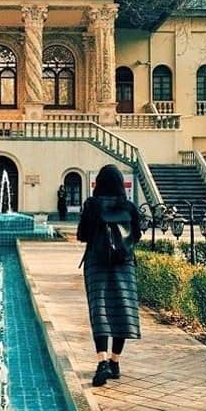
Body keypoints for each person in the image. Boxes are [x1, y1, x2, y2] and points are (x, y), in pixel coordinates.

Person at [77, 164, 141, 387]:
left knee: (101, 310)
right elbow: (137, 235)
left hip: (97, 263)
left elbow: (82, 235)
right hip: (124, 264)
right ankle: (115, 362)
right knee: (122, 310)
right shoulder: (129, 207)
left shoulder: (92, 205)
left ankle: (101, 361)